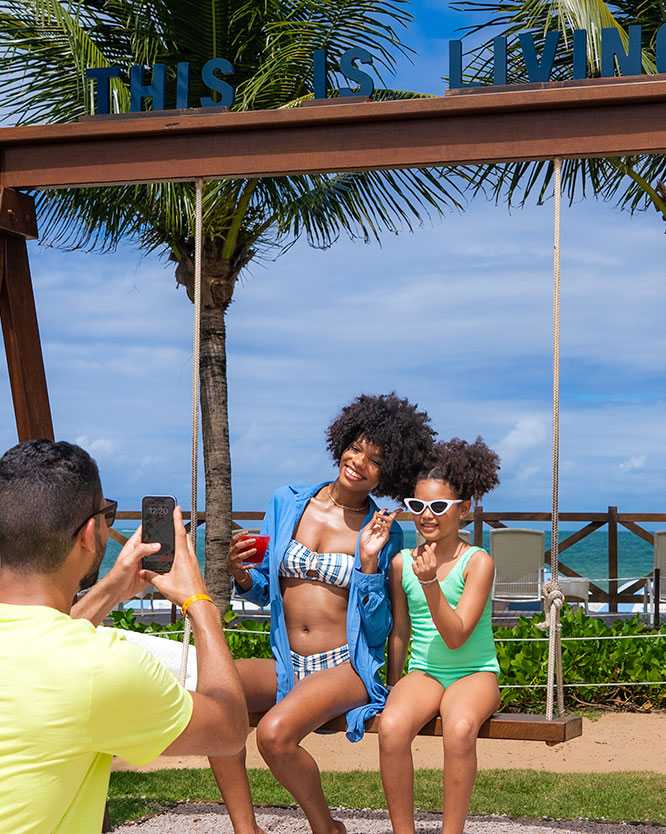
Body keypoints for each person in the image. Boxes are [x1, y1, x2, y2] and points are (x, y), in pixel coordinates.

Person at [212, 392, 436, 834]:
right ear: (342, 443)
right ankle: (245, 828)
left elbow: (380, 626)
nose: (359, 462)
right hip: (288, 663)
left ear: (387, 473)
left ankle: (325, 827)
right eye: (356, 447)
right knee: (214, 693)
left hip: (345, 667)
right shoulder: (287, 502)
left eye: (375, 459)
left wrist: (369, 565)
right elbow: (267, 590)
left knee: (273, 736)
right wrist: (241, 577)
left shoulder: (382, 532)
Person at [0, 440, 248, 834]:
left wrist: (114, 589)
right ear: (87, 535)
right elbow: (229, 728)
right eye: (106, 514)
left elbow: (45, 635)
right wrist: (199, 604)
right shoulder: (100, 668)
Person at [379, 437, 501, 834]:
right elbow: (401, 631)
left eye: (438, 507)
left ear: (463, 510)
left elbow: (456, 636)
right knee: (393, 727)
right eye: (417, 506)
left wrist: (431, 582)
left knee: (461, 727)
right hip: (425, 672)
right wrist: (395, 685)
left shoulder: (477, 562)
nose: (426, 515)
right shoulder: (401, 564)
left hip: (474, 672)